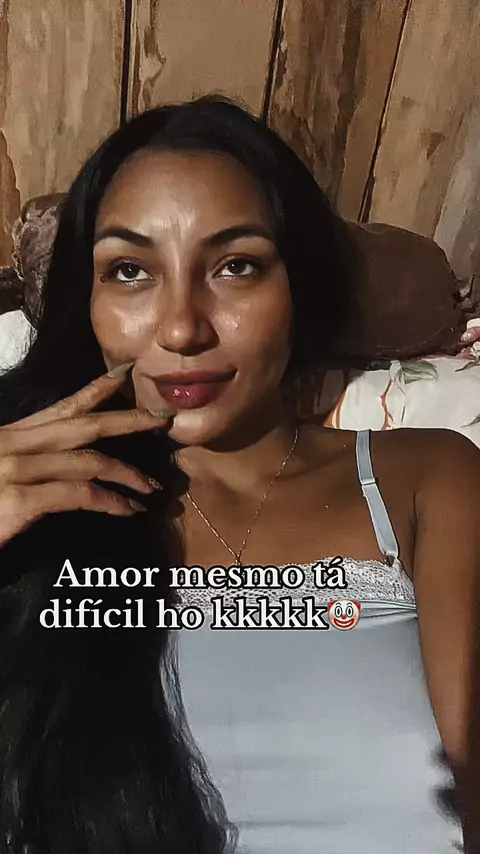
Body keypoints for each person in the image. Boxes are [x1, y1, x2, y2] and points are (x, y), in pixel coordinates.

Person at [0, 97, 478, 853]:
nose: (182, 327)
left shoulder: (424, 478)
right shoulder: (28, 503)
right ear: (85, 303)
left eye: (236, 266)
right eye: (130, 271)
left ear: (298, 287)